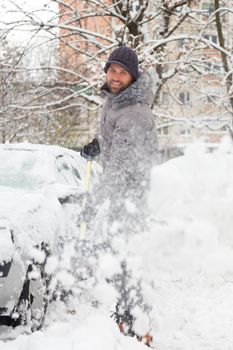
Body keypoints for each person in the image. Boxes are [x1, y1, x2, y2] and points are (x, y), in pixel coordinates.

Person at [80, 46, 158, 347]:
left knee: (125, 263)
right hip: (123, 195)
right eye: (112, 69)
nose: (115, 76)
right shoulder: (116, 103)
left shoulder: (134, 112)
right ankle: (125, 321)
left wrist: (94, 203)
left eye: (122, 72)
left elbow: (120, 170)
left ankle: (136, 329)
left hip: (130, 197)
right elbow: (114, 138)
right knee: (121, 262)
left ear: (132, 76)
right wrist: (97, 145)